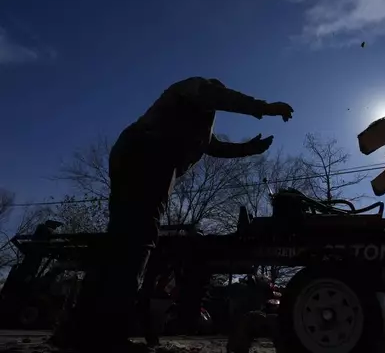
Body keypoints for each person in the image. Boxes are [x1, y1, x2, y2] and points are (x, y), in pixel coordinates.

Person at [51, 77, 294, 352]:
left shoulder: (197, 121)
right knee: (137, 242)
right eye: (219, 91)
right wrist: (266, 107)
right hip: (147, 156)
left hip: (139, 157)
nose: (219, 96)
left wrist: (247, 149)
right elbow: (219, 97)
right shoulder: (194, 88)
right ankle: (108, 333)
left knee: (120, 242)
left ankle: (76, 329)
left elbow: (213, 147)